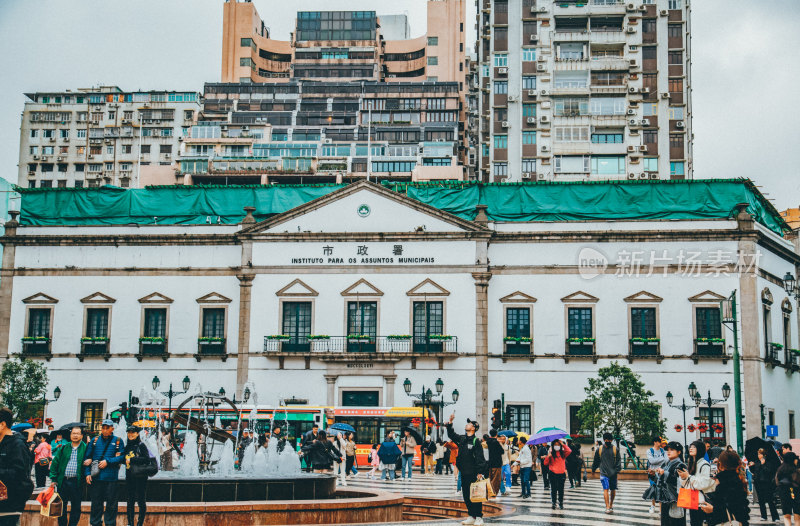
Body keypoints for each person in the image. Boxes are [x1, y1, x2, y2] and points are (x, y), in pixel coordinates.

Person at [446, 414, 489, 526]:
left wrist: (480, 472)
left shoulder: (476, 441)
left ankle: (479, 517)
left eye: (469, 423)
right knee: (466, 495)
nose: (467, 424)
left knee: (476, 495)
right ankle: (471, 516)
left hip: (474, 473)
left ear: (473, 428)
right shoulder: (462, 439)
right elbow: (451, 434)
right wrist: (450, 422)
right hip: (464, 472)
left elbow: (480, 458)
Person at [83, 419, 124, 526]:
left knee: (111, 505)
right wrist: (87, 474)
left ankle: (110, 524)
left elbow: (122, 458)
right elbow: (87, 458)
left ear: (112, 429)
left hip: (111, 479)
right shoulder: (94, 440)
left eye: (107, 428)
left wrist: (108, 461)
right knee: (96, 504)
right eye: (103, 428)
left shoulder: (118, 441)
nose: (105, 430)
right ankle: (95, 523)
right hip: (97, 479)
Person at [0, 407, 34, 526]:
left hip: (10, 506)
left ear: (2, 425)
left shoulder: (17, 444)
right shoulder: (2, 443)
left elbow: (19, 474)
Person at [698, 450, 750, 526]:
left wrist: (712, 510)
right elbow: (741, 509)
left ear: (721, 464)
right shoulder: (737, 479)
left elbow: (731, 507)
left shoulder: (724, 481)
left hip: (724, 522)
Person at [49, 426, 86, 526]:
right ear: (70, 435)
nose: (75, 435)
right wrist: (54, 478)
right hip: (63, 481)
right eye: (73, 433)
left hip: (76, 482)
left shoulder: (85, 448)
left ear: (81, 436)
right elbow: (55, 463)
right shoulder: (64, 447)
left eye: (77, 433)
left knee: (76, 507)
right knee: (61, 507)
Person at [643, 441, 687, 526]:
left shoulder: (681, 465)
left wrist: (664, 474)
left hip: (676, 500)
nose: (669, 452)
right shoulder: (665, 464)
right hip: (665, 499)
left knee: (675, 522)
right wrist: (653, 475)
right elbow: (659, 480)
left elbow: (681, 482)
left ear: (679, 452)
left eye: (672, 450)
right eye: (667, 450)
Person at [679, 440, 716, 526]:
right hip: (692, 498)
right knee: (694, 522)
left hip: (702, 501)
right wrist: (683, 477)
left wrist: (688, 476)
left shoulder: (704, 464)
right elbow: (687, 484)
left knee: (699, 522)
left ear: (699, 449)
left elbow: (702, 484)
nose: (691, 449)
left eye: (694, 447)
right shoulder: (691, 463)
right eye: (690, 447)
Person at [123, 426, 152, 526]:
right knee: (130, 501)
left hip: (140, 477)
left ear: (137, 434)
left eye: (133, 432)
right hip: (129, 476)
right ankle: (130, 523)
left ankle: (140, 523)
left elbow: (147, 459)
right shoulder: (127, 446)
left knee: (141, 501)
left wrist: (132, 460)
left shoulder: (141, 445)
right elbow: (124, 459)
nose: (130, 434)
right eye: (129, 432)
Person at [592, 432, 622, 514]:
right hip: (604, 473)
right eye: (606, 439)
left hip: (613, 473)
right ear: (604, 440)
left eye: (609, 440)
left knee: (612, 490)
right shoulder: (600, 449)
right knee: (605, 489)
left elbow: (619, 461)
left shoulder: (615, 449)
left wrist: (617, 470)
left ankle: (611, 504)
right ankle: (607, 506)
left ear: (611, 440)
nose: (607, 441)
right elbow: (596, 460)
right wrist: (593, 469)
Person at [750, 447, 781, 522]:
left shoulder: (769, 462)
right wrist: (751, 466)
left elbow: (769, 471)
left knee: (770, 500)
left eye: (760, 454)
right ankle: (763, 516)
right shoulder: (757, 462)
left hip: (767, 483)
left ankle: (775, 517)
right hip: (758, 483)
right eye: (758, 454)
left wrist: (763, 465)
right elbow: (754, 472)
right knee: (761, 500)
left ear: (764, 455)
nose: (758, 455)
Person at [543, 438, 571, 510]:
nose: (557, 446)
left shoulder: (563, 453)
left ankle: (561, 503)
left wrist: (563, 444)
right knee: (554, 489)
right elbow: (545, 463)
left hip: (561, 474)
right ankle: (554, 502)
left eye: (558, 445)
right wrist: (548, 457)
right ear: (552, 445)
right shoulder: (551, 454)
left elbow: (569, 451)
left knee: (561, 489)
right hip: (553, 473)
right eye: (555, 445)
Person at [775, 451, 799, 526]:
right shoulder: (796, 470)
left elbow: (777, 482)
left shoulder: (780, 469)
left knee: (786, 516)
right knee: (797, 516)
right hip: (797, 494)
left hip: (784, 494)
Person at [646, 436, 667, 514]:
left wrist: (657, 461)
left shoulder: (663, 451)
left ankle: (660, 509)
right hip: (652, 474)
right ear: (655, 442)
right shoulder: (650, 451)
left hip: (661, 473)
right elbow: (652, 461)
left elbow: (665, 460)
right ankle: (653, 505)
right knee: (653, 489)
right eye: (659, 442)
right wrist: (662, 459)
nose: (660, 443)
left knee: (661, 490)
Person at [484, 430, 504, 497]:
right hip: (497, 463)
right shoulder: (496, 442)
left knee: (490, 478)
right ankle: (493, 493)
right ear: (496, 434)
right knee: (496, 479)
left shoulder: (488, 442)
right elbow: (502, 451)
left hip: (490, 463)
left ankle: (488, 492)